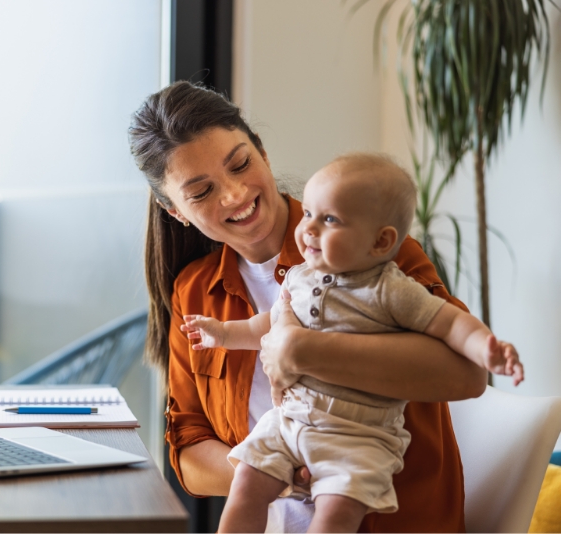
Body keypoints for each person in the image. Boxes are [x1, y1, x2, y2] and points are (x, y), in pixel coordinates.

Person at [128, 81, 497, 532]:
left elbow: (466, 373)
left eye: (241, 164)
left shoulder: (374, 249)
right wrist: (281, 475)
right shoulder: (195, 291)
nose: (234, 195)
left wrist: (299, 351)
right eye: (201, 192)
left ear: (262, 151)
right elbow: (188, 451)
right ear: (176, 212)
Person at [181, 153, 523, 533]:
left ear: (380, 241)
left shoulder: (391, 288)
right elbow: (268, 325)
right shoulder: (298, 277)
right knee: (246, 480)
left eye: (329, 220)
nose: (308, 228)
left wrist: (485, 347)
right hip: (289, 421)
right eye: (308, 213)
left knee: (336, 514)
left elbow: (450, 324)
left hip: (358, 437)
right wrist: (225, 333)